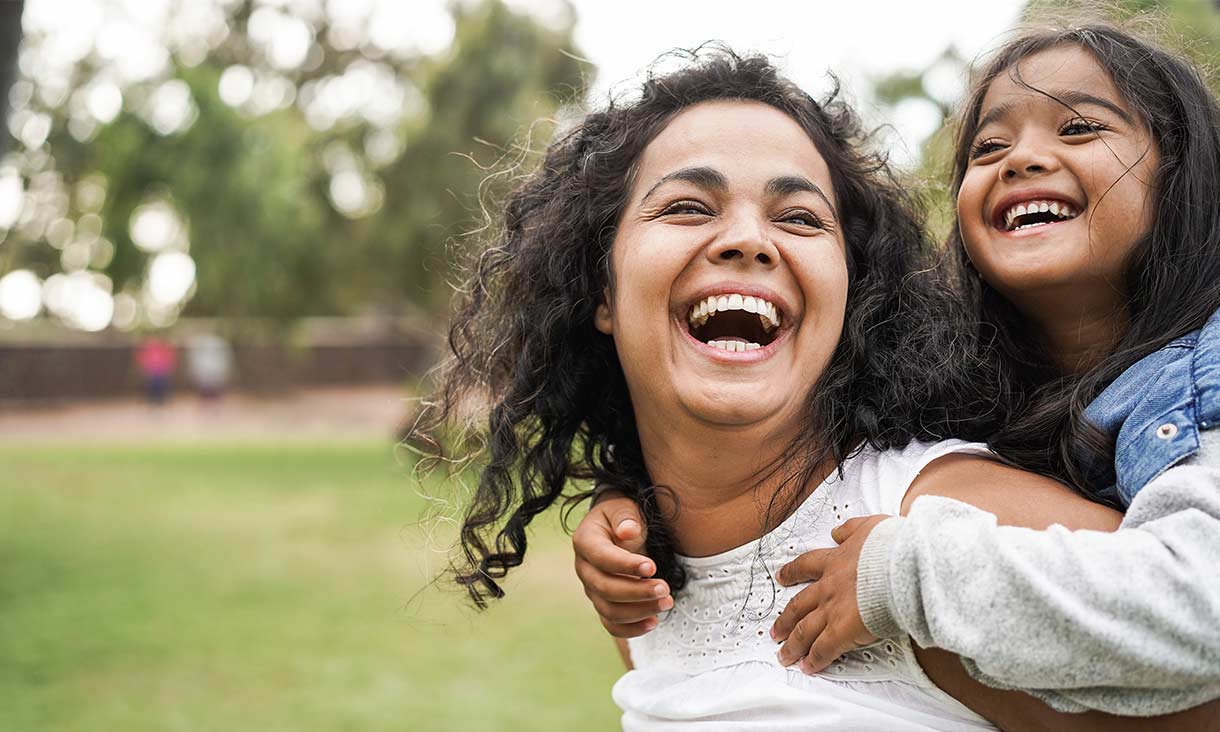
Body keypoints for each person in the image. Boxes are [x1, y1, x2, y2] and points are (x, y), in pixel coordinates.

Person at [416, 48, 1195, 730]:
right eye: (688, 206)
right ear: (602, 292)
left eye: (798, 217)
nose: (748, 239)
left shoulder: (940, 530)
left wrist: (913, 582)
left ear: (851, 297)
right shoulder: (640, 579)